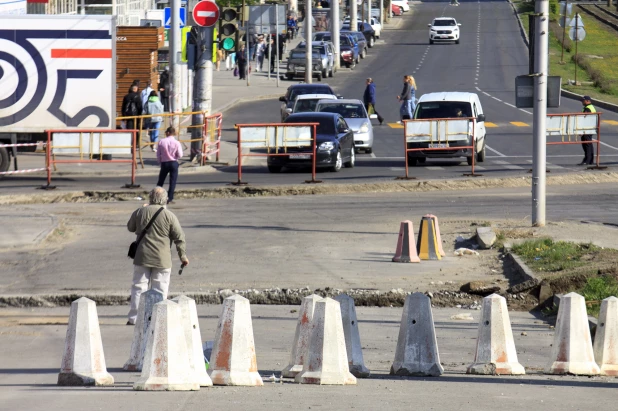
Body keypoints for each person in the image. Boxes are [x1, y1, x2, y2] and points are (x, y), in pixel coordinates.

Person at [126, 187, 189, 325]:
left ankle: (134, 318)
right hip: (162, 259)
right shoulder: (169, 215)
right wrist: (182, 256)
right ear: (165, 199)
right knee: (160, 288)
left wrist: (140, 211)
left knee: (139, 287)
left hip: (142, 256)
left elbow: (130, 227)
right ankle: (158, 319)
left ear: (150, 198)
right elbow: (180, 237)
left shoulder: (140, 212)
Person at [157, 127, 183, 204]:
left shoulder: (161, 141)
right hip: (173, 162)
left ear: (168, 132)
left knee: (161, 181)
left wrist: (159, 162)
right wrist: (175, 157)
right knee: (172, 181)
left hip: (164, 163)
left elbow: (158, 154)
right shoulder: (177, 142)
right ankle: (169, 198)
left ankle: (157, 196)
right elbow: (180, 155)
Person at [579, 95, 596, 165]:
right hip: (589, 128)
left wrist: (581, 130)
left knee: (587, 144)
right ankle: (589, 160)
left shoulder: (588, 108)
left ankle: (588, 160)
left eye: (583, 100)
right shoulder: (588, 107)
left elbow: (585, 119)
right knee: (588, 144)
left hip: (587, 128)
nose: (582, 102)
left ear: (588, 101)